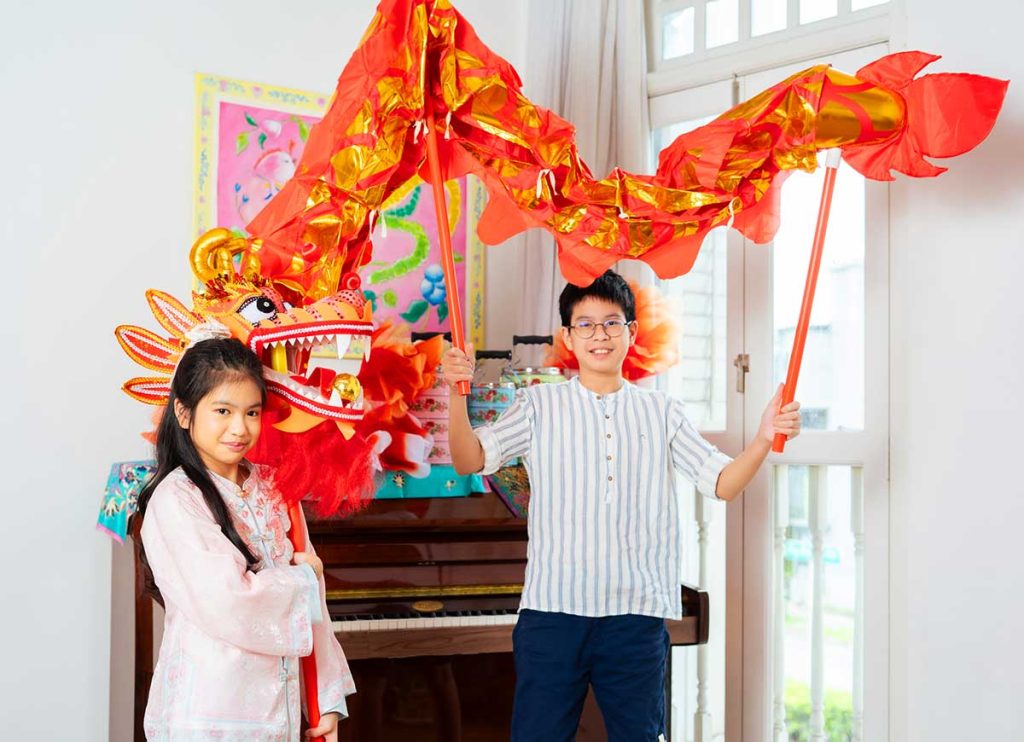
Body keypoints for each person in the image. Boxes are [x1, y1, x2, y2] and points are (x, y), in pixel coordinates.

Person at [441, 270, 801, 741]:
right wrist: (455, 392)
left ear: (632, 332)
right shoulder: (538, 406)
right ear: (567, 336)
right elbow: (470, 459)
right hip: (553, 615)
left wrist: (761, 437)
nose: (599, 335)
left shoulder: (662, 412)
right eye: (585, 324)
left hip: (636, 618)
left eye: (611, 323)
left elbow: (722, 483)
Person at [131, 336, 354, 741]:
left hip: (279, 708)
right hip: (213, 710)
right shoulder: (176, 499)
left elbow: (313, 608)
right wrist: (303, 580)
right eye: (223, 411)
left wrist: (326, 699)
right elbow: (228, 598)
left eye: (252, 412)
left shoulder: (275, 486)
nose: (240, 428)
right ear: (183, 412)